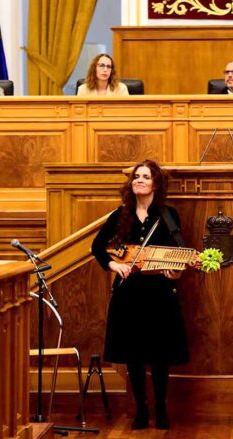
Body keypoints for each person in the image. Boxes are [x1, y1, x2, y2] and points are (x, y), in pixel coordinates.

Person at [91, 160, 189, 430]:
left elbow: (179, 255)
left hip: (159, 293)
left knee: (159, 356)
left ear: (156, 183)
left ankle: (161, 408)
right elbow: (98, 247)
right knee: (134, 356)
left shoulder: (169, 215)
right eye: (136, 177)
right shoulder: (120, 215)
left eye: (145, 177)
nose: (140, 181)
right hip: (129, 294)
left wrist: (176, 272)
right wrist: (114, 265)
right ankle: (142, 410)